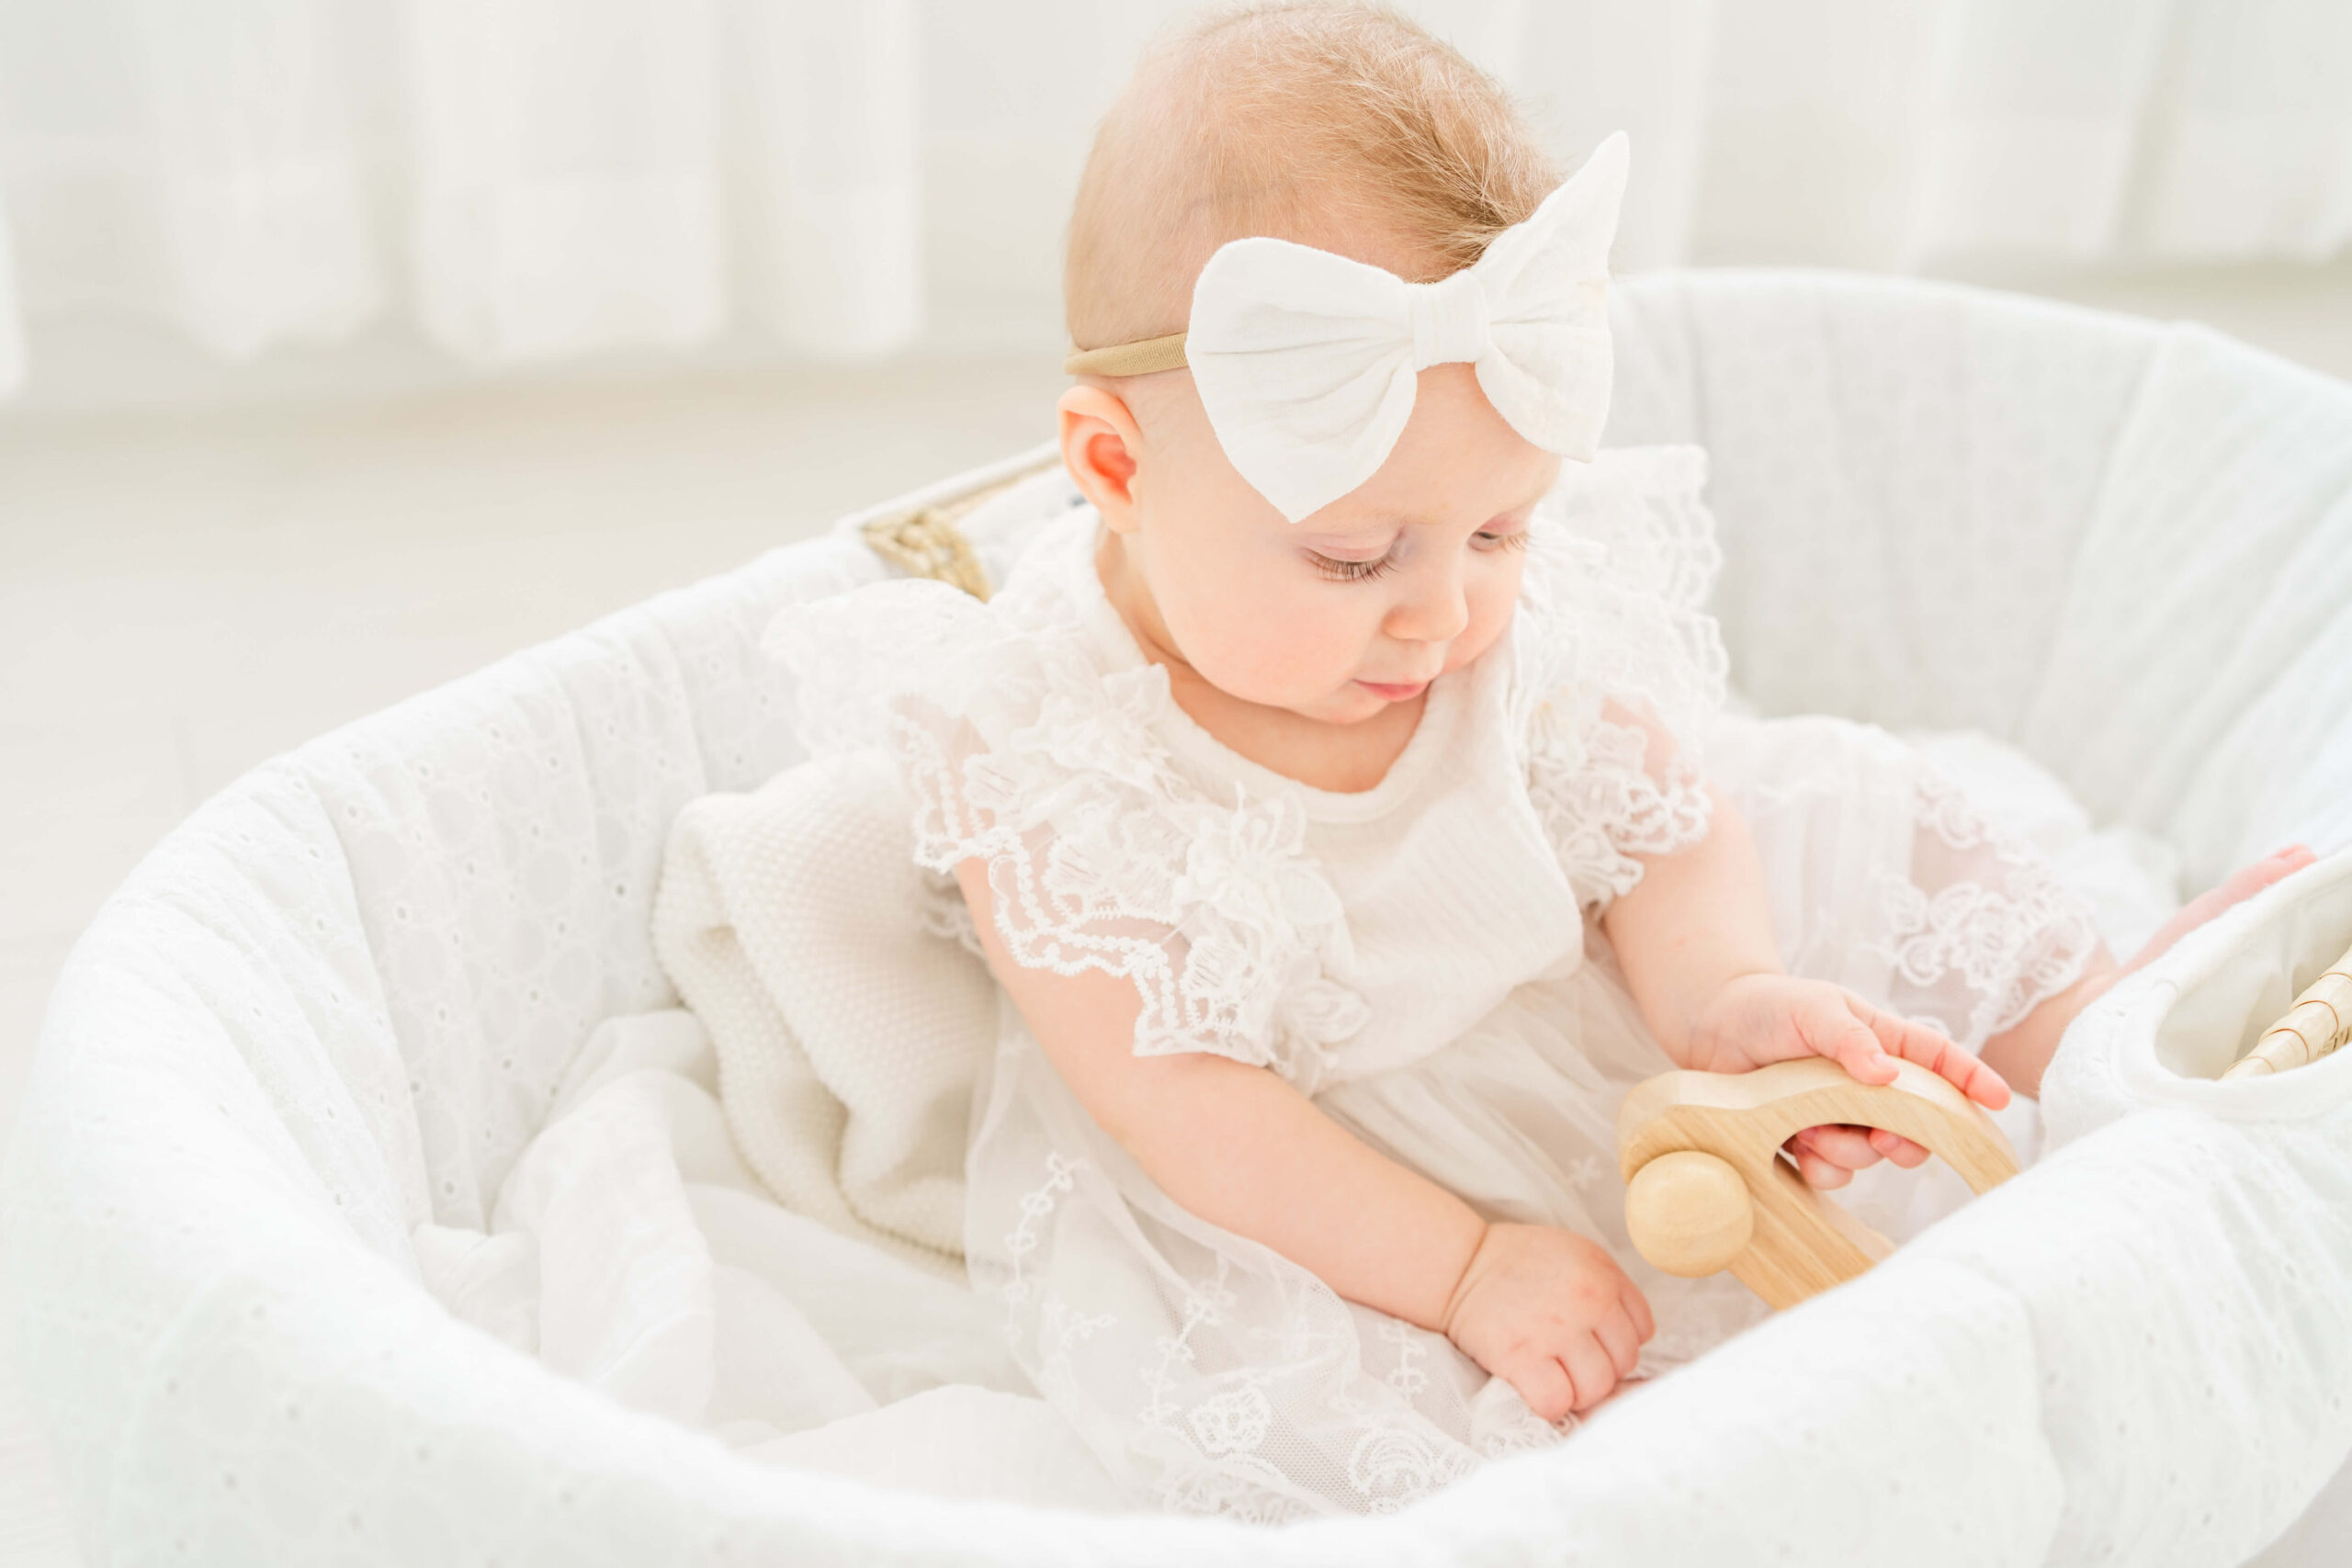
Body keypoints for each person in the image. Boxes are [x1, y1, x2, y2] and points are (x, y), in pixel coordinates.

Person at [773, 0, 2313, 1520]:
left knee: (1857, 806)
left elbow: (1657, 825)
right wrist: (1459, 1265)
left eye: (1502, 527)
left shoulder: (1484, 600)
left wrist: (1721, 1001)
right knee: (1380, 1401)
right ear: (1114, 467)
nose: (1444, 611)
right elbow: (1184, 1109)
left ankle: (2103, 1048)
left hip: (1605, 980)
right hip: (1347, 1159)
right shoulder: (1046, 744)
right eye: (1354, 556)